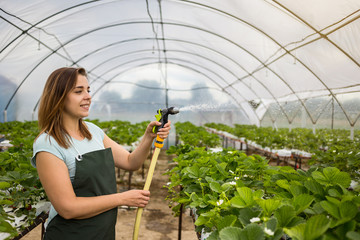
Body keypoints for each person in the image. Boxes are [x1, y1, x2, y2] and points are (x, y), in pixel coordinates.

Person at [31, 67, 171, 240]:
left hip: (102, 232)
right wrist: (122, 199)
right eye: (78, 91)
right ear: (58, 97)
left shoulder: (93, 131)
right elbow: (68, 208)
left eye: (88, 90)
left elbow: (130, 162)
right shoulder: (48, 144)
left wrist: (148, 137)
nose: (88, 96)